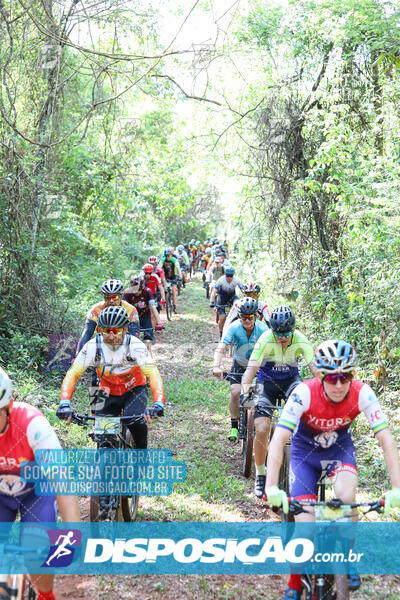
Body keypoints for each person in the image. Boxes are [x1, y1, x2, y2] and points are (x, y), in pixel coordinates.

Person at [264, 339, 400, 599]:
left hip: (339, 452)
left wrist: (397, 488)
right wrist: (271, 485)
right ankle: (294, 582)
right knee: (304, 529)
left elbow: (387, 440)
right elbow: (279, 439)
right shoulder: (303, 392)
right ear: (321, 375)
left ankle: (346, 558)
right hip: (305, 455)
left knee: (347, 500)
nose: (339, 384)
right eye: (332, 377)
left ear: (353, 375)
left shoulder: (363, 393)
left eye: (345, 376)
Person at [0, 367, 80, 600]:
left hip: (35, 493)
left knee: (38, 554)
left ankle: (45, 595)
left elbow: (63, 483)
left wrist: (72, 537)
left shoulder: (33, 425)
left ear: (9, 406)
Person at [57, 306, 165, 451]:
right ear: (100, 331)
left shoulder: (135, 346)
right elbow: (73, 373)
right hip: (106, 392)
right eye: (107, 331)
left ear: (125, 330)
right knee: (103, 439)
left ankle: (142, 457)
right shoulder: (93, 346)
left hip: (134, 391)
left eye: (116, 331)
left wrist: (158, 403)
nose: (111, 336)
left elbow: (152, 374)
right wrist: (64, 403)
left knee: (136, 423)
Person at [240, 306, 319, 497]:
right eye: (278, 333)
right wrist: (244, 391)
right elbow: (250, 371)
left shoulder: (300, 339)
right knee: (261, 428)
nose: (283, 338)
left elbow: (317, 370)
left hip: (291, 381)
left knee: (303, 417)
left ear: (294, 328)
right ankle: (261, 473)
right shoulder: (265, 339)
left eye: (287, 333)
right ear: (272, 330)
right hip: (265, 382)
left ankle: (304, 464)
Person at [213, 298, 269, 442]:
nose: (247, 320)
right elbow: (222, 347)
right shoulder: (234, 328)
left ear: (255, 316)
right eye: (243, 317)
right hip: (239, 364)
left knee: (263, 394)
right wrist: (216, 365)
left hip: (258, 366)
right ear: (239, 316)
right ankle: (234, 426)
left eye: (250, 317)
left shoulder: (263, 329)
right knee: (235, 392)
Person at [76, 279, 140, 354]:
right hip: (103, 345)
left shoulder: (130, 309)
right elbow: (87, 332)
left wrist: (133, 352)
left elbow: (134, 333)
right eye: (108, 297)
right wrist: (78, 354)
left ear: (121, 296)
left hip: (123, 345)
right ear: (103, 296)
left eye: (115, 297)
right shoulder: (96, 309)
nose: (111, 301)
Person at [123, 275, 163, 354]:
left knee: (147, 339)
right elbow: (123, 310)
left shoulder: (148, 292)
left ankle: (147, 357)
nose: (136, 293)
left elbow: (153, 307)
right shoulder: (127, 293)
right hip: (132, 318)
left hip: (145, 316)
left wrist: (159, 323)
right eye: (134, 290)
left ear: (142, 288)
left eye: (138, 291)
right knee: (131, 339)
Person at [209, 267, 244, 338]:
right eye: (227, 275)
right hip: (222, 297)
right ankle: (221, 333)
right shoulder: (220, 280)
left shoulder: (237, 280)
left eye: (231, 276)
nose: (229, 277)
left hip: (232, 296)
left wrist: (246, 300)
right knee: (222, 317)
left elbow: (243, 291)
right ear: (225, 274)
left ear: (233, 275)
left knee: (237, 304)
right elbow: (214, 291)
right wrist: (212, 301)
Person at [160, 248, 182, 314]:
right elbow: (159, 267)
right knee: (163, 289)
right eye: (166, 255)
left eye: (168, 255)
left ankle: (174, 307)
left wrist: (180, 276)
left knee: (174, 290)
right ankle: (163, 303)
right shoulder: (163, 259)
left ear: (171, 255)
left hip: (173, 276)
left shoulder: (174, 260)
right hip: (165, 276)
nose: (167, 257)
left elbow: (178, 268)